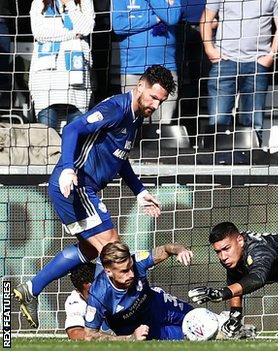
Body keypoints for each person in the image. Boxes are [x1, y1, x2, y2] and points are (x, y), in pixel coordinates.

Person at [13, 65, 175, 328]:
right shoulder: (116, 108)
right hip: (76, 185)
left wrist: (140, 192)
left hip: (84, 188)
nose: (156, 105)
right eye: (153, 97)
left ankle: (30, 289)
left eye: (161, 101)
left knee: (91, 250)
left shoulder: (136, 117)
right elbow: (72, 130)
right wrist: (67, 167)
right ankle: (111, 323)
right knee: (115, 251)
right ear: (140, 87)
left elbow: (120, 160)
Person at [200, 0, 278, 145]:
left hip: (257, 64)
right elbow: (206, 20)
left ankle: (253, 161)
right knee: (218, 121)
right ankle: (215, 160)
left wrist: (271, 55)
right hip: (225, 62)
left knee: (254, 123)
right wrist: (209, 49)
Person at [83, 241, 194, 340]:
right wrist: (130, 338)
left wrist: (181, 250)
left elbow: (166, 249)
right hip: (141, 328)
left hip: (159, 306)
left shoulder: (137, 261)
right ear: (108, 272)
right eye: (124, 271)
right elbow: (90, 335)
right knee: (193, 338)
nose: (131, 274)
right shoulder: (98, 295)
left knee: (201, 320)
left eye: (131, 267)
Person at [111, 0, 182, 125]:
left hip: (166, 69)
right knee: (133, 123)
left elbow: (172, 18)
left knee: (163, 127)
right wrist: (155, 19)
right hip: (133, 69)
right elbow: (119, 26)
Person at [29, 0, 95, 131]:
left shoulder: (84, 2)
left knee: (74, 132)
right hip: (46, 75)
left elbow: (86, 28)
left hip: (76, 76)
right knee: (47, 134)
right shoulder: (39, 2)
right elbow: (39, 33)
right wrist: (72, 34)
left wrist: (70, 4)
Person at [64, 262, 112, 340]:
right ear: (79, 292)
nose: (96, 296)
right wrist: (113, 338)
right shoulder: (76, 299)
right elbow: (75, 333)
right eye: (90, 293)